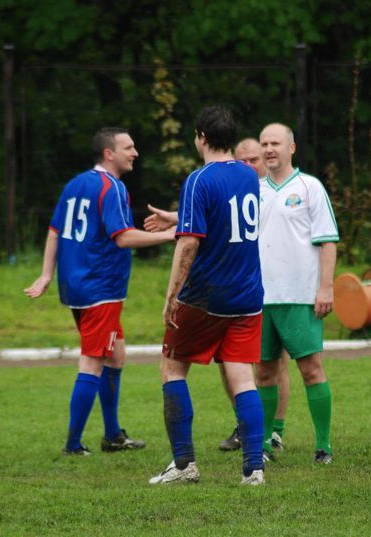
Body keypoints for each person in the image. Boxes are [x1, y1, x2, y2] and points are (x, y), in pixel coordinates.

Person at [25, 127, 175, 456]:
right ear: (109, 154)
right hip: (100, 289)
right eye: (128, 147)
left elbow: (54, 231)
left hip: (77, 286)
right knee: (93, 362)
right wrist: (169, 236)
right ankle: (73, 445)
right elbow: (123, 237)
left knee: (115, 356)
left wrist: (47, 275)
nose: (135, 153)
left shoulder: (75, 184)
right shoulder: (112, 187)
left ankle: (112, 435)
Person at [149, 106, 266, 485]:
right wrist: (179, 214)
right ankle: (254, 469)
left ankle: (184, 465)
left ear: (201, 137)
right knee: (242, 378)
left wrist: (172, 296)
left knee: (172, 368)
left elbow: (188, 244)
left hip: (207, 296)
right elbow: (222, 216)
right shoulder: (248, 175)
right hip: (247, 295)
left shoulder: (198, 180)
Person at [256, 123, 338, 464]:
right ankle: (263, 443)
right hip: (259, 299)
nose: (269, 149)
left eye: (275, 143)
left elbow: (328, 241)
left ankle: (323, 446)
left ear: (291, 148)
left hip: (300, 296)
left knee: (311, 369)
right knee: (264, 372)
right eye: (264, 144)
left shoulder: (310, 187)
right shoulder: (254, 190)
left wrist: (326, 288)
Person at [217, 137, 291, 453]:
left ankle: (274, 431)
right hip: (236, 288)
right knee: (228, 361)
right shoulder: (231, 191)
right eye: (242, 161)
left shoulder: (278, 192)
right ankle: (245, 424)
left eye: (254, 160)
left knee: (272, 364)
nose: (248, 166)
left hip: (273, 290)